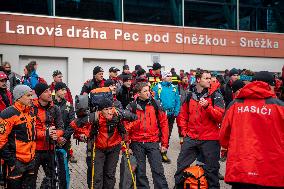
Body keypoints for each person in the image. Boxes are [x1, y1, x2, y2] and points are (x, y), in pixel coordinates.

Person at [220, 71, 284, 189]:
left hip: (241, 168)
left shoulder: (235, 104)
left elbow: (224, 135)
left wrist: (228, 148)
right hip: (271, 171)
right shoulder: (280, 107)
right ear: (270, 85)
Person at [175, 70, 225, 189]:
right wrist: (185, 131)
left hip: (210, 139)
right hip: (191, 137)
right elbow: (182, 115)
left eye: (210, 78)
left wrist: (208, 107)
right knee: (181, 166)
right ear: (198, 80)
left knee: (212, 171)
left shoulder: (216, 95)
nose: (209, 80)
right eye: (206, 78)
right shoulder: (189, 95)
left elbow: (220, 117)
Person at [71, 98, 126, 189]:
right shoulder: (94, 118)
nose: (109, 112)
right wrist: (84, 133)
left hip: (114, 147)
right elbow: (74, 124)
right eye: (106, 109)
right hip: (98, 148)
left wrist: (125, 141)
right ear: (100, 111)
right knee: (97, 175)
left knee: (110, 174)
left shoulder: (117, 115)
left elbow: (128, 126)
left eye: (110, 108)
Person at [125, 82, 169, 189]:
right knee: (140, 173)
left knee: (158, 171)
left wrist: (164, 144)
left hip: (153, 142)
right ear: (138, 93)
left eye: (148, 90)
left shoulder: (156, 104)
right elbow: (126, 127)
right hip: (137, 144)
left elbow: (164, 124)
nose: (148, 92)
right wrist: (127, 144)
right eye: (145, 91)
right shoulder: (132, 106)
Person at [0, 85, 36, 189]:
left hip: (31, 161)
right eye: (28, 95)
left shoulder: (31, 112)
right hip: (16, 162)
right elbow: (1, 140)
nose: (31, 98)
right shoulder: (8, 113)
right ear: (19, 97)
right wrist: (11, 161)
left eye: (31, 95)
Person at [31, 83, 64, 188]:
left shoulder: (55, 108)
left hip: (50, 149)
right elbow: (29, 132)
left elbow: (61, 128)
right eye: (46, 91)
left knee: (52, 180)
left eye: (50, 90)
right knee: (31, 181)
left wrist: (56, 134)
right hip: (34, 151)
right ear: (39, 95)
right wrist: (45, 133)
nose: (50, 93)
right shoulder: (31, 108)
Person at [152, 71, 181, 163]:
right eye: (168, 76)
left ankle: (164, 153)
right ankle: (155, 153)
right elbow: (153, 101)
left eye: (171, 76)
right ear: (163, 77)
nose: (170, 78)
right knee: (158, 134)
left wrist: (176, 111)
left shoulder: (174, 88)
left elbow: (177, 101)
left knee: (167, 134)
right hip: (160, 115)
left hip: (171, 115)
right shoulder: (157, 87)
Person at [53, 82, 75, 163]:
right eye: (62, 90)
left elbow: (72, 123)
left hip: (65, 141)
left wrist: (64, 137)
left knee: (63, 165)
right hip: (52, 140)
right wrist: (57, 137)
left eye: (65, 90)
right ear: (56, 91)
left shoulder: (69, 105)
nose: (65, 92)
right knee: (52, 165)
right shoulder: (49, 104)